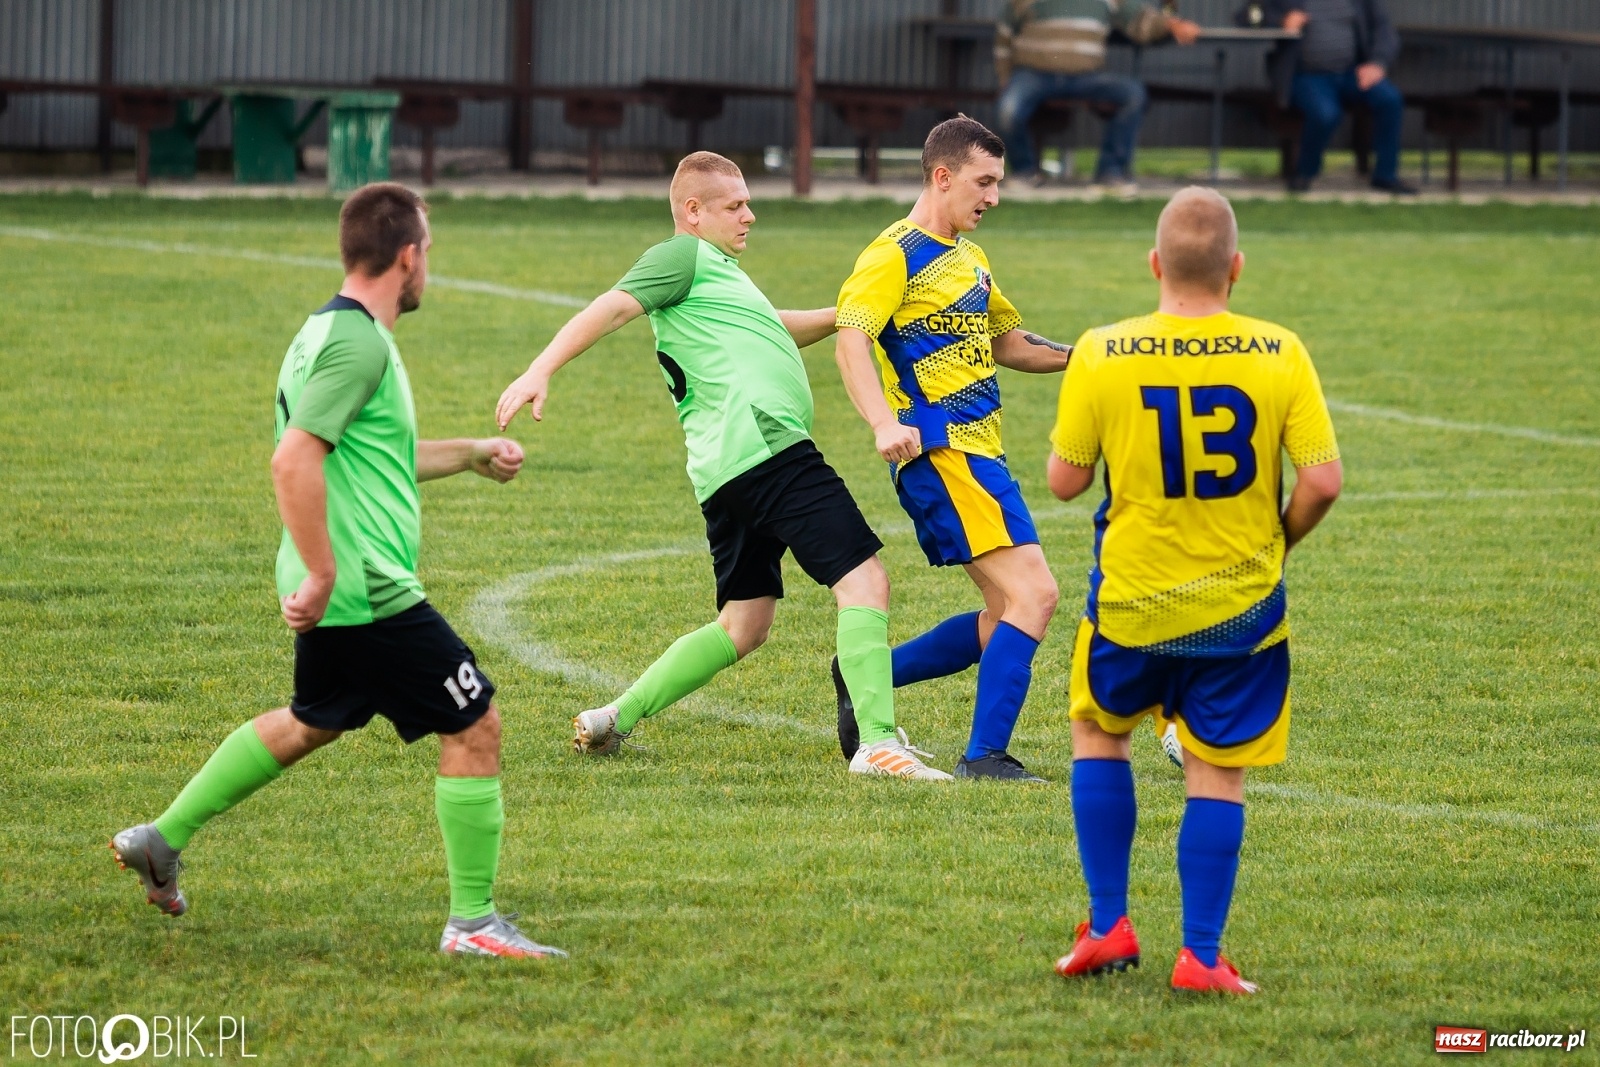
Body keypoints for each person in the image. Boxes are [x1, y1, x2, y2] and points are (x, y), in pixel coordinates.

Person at [110, 183, 563, 958]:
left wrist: (472, 455)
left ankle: (162, 836)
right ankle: (474, 924)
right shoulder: (358, 344)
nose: (430, 271)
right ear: (408, 255)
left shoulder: (323, 332)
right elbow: (294, 458)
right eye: (430, 255)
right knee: (475, 720)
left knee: (312, 720)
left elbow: (364, 455)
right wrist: (322, 573)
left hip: (340, 584)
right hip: (366, 585)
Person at [494, 152, 949, 781]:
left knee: (743, 624)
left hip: (725, 469)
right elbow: (613, 306)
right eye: (734, 206)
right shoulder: (681, 256)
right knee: (865, 582)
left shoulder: (721, 274)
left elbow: (776, 327)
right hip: (769, 448)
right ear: (692, 212)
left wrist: (856, 317)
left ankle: (614, 716)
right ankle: (875, 744)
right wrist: (540, 369)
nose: (749, 215)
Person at [1045, 187, 1342, 993]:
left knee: (1099, 735)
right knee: (1216, 769)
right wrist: (1281, 537)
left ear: (1154, 264)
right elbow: (1322, 480)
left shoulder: (1103, 351)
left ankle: (1108, 925)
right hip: (1242, 615)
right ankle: (1202, 957)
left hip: (1129, 606)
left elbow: (1065, 481)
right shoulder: (1280, 351)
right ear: (1236, 269)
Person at [833, 116, 1074, 783]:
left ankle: (866, 675)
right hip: (942, 454)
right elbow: (851, 338)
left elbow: (1009, 342)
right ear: (942, 176)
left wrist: (1093, 358)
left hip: (983, 455)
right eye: (984, 181)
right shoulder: (893, 254)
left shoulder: (970, 259)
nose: (994, 196)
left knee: (1008, 613)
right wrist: (883, 422)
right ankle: (985, 757)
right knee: (1036, 596)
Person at [994, 0, 1200, 195]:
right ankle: (1024, 173)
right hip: (1034, 74)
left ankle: (1111, 173)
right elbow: (1004, 33)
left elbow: (1140, 22)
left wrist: (1171, 23)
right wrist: (1004, 77)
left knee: (1133, 95)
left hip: (1087, 76)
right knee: (1008, 108)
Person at [1261, 0, 1416, 194]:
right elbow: (1250, 16)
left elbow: (1384, 30)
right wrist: (1281, 22)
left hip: (1352, 73)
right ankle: (1304, 173)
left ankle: (1385, 175)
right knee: (1325, 113)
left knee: (1390, 100)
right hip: (1307, 76)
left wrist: (1378, 62)